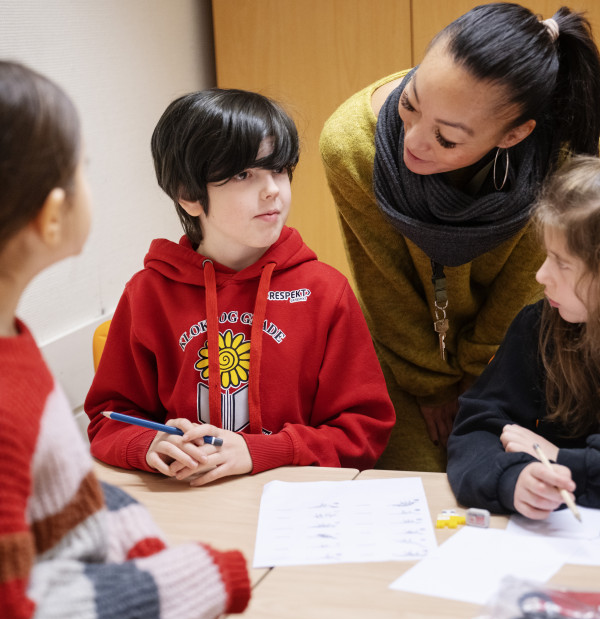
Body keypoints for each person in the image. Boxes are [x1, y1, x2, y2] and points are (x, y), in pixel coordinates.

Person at [0, 61, 250, 619]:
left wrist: (137, 536)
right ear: (53, 216)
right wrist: (202, 576)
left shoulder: (13, 338)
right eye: (82, 170)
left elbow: (67, 499)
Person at [319, 3, 600, 472]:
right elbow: (383, 280)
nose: (412, 142)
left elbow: (527, 285)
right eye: (410, 104)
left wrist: (482, 375)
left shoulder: (557, 155)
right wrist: (429, 385)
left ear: (513, 135)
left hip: (506, 355)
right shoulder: (350, 145)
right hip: (400, 350)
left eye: (446, 139)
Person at [84, 88, 395, 486]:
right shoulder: (148, 293)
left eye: (279, 170)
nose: (272, 190)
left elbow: (364, 430)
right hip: (190, 502)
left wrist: (262, 451)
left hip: (295, 502)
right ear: (188, 195)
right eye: (244, 174)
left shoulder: (324, 291)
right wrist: (148, 444)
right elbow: (108, 419)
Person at [447, 154, 600, 519]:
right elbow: (476, 428)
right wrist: (512, 479)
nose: (541, 276)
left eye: (562, 263)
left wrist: (562, 459)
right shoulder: (539, 326)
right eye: (548, 255)